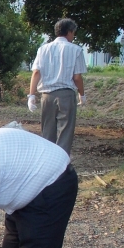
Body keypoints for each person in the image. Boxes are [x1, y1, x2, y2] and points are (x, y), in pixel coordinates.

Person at [28, 18, 87, 155]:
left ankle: (48, 160)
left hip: (47, 96)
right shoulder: (76, 50)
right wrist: (82, 94)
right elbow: (77, 77)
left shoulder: (43, 49)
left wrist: (31, 95)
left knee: (47, 131)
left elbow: (36, 72)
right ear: (70, 32)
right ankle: (61, 163)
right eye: (73, 33)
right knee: (65, 132)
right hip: (66, 94)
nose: (73, 36)